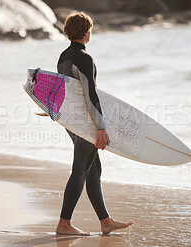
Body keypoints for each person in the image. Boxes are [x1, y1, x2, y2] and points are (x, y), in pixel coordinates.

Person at [55, 12, 133, 236]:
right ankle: (64, 224)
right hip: (87, 121)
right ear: (87, 32)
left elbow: (68, 94)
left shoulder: (62, 57)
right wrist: (100, 127)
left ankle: (106, 221)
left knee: (93, 169)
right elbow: (90, 94)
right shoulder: (85, 58)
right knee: (80, 169)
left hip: (72, 121)